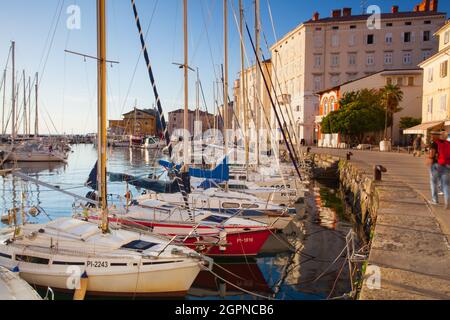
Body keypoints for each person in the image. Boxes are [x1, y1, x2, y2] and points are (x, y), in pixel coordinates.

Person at [427, 131, 450, 209]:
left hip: (436, 165)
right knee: (446, 184)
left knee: (433, 182)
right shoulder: (448, 143)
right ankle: (447, 202)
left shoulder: (434, 143)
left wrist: (429, 160)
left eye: (432, 135)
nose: (431, 136)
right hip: (446, 165)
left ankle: (435, 200)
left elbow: (432, 154)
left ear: (436, 136)